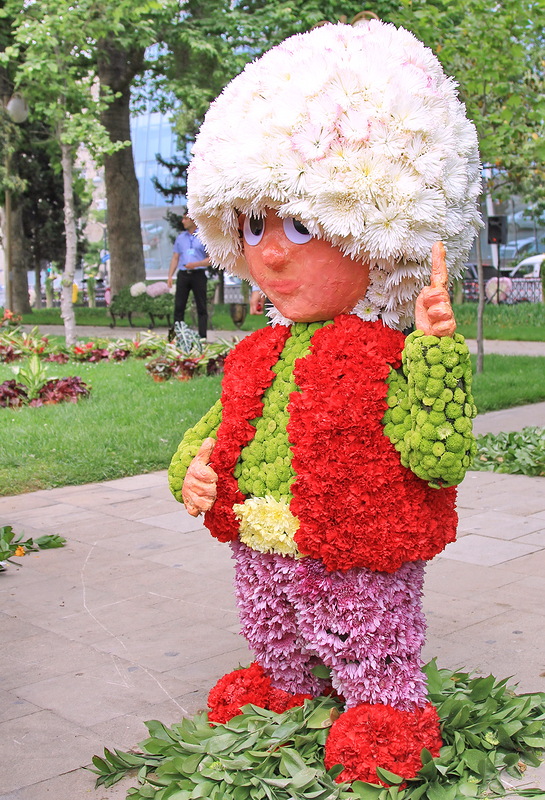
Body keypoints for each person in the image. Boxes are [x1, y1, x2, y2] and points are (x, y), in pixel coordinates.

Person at [167, 19, 481, 785]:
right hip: (260, 535)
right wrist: (190, 472)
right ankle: (286, 683)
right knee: (271, 616)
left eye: (301, 225)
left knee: (362, 625)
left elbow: (437, 454)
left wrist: (436, 354)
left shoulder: (382, 355)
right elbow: (215, 431)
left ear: (379, 237)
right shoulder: (256, 352)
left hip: (352, 542)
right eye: (254, 225)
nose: (270, 251)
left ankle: (385, 708)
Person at [167, 209, 211, 339]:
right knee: (179, 305)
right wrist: (170, 276)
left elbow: (211, 259)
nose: (183, 221)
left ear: (193, 220)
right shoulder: (180, 238)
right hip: (183, 274)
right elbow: (175, 257)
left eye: (185, 218)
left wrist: (196, 264)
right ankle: (177, 335)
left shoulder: (203, 237)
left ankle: (202, 336)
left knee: (201, 306)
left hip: (198, 274)